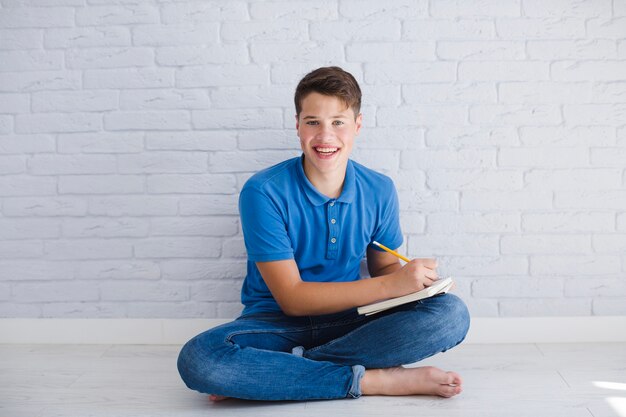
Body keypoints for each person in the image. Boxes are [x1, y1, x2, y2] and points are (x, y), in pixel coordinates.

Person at [177, 66, 470, 401]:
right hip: (276, 324)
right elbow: (292, 299)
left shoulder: (380, 189)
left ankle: (271, 374)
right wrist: (391, 284)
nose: (325, 136)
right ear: (298, 125)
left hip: (353, 322)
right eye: (313, 121)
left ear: (357, 126)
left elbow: (386, 270)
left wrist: (413, 284)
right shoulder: (262, 192)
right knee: (201, 358)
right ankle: (372, 381)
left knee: (451, 314)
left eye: (338, 122)